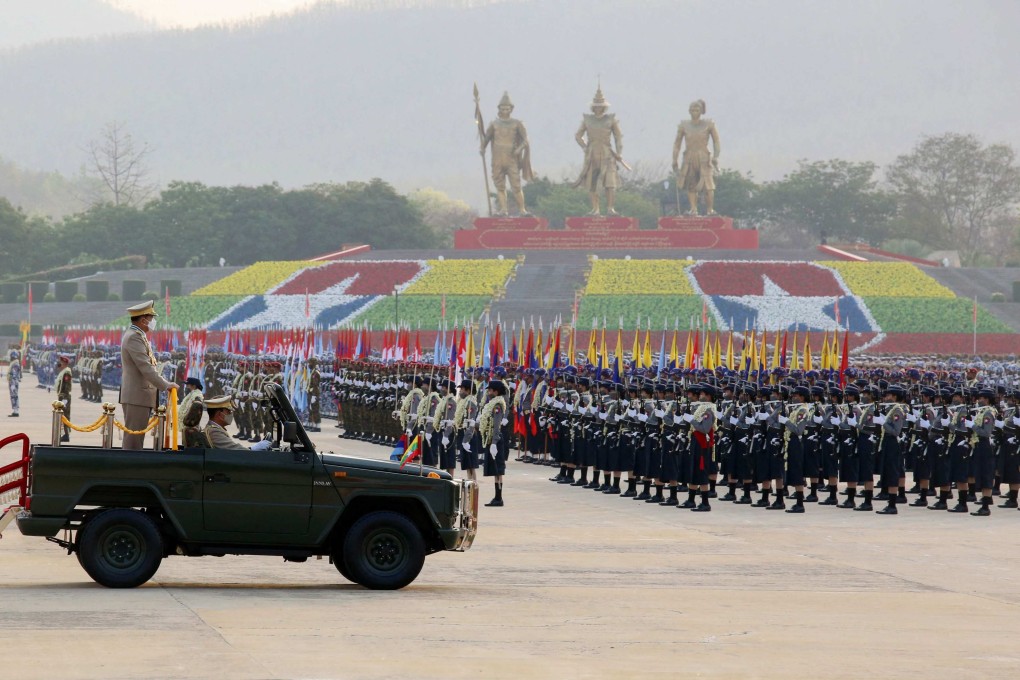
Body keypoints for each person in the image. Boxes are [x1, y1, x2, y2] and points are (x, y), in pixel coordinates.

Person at [119, 301, 176, 450]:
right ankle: (130, 469)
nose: (152, 322)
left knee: (137, 438)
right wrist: (165, 385)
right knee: (134, 440)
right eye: (151, 318)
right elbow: (145, 367)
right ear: (143, 319)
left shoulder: (138, 335)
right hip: (137, 395)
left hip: (140, 395)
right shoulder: (134, 337)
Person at [480, 91, 534, 216]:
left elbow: (526, 140)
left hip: (511, 158)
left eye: (507, 108)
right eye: (503, 108)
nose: (505, 110)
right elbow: (487, 138)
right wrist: (482, 148)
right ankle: (503, 210)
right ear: (499, 109)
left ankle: (522, 210)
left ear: (511, 109)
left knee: (516, 185)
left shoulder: (517, 123)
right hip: (497, 158)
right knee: (500, 186)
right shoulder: (494, 124)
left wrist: (519, 149)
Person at [574, 85, 624, 216]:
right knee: (592, 182)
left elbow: (618, 137)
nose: (598, 107)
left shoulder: (611, 119)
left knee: (610, 182)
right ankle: (595, 209)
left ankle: (610, 208)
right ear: (593, 107)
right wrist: (585, 147)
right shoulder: (587, 120)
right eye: (596, 105)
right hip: (592, 154)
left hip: (607, 154)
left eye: (600, 105)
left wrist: (619, 153)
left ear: (604, 106)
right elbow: (578, 135)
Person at [672, 99, 721, 215]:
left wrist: (716, 156)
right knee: (691, 184)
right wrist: (674, 159)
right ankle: (693, 209)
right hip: (689, 156)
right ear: (689, 111)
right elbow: (677, 144)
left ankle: (710, 210)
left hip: (704, 156)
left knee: (708, 185)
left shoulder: (709, 124)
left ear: (701, 111)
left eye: (697, 109)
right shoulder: (684, 125)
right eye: (692, 109)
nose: (694, 112)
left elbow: (716, 142)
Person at [203, 395, 272, 451]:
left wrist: (252, 448)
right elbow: (237, 451)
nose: (231, 414)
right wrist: (253, 449)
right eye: (228, 411)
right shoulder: (214, 432)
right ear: (219, 414)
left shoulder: (215, 428)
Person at [481, 379, 508, 507]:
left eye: (490, 390)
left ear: (496, 392)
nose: (489, 392)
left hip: (495, 440)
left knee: (498, 470)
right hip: (491, 439)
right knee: (495, 470)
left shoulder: (497, 405)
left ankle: (499, 497)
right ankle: (497, 496)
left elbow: (496, 426)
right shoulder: (492, 403)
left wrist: (494, 442)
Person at [54, 354, 73, 442]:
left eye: (61, 362)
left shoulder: (67, 372)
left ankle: (66, 434)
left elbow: (67, 385)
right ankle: (64, 433)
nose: (59, 364)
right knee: (62, 416)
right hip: (62, 396)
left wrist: (64, 398)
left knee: (65, 416)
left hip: (64, 396)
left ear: (64, 363)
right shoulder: (63, 371)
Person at [7, 349, 21, 417]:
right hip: (12, 382)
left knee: (14, 396)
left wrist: (12, 384)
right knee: (13, 396)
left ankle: (16, 411)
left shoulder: (15, 364)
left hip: (13, 382)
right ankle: (15, 410)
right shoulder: (14, 363)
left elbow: (14, 375)